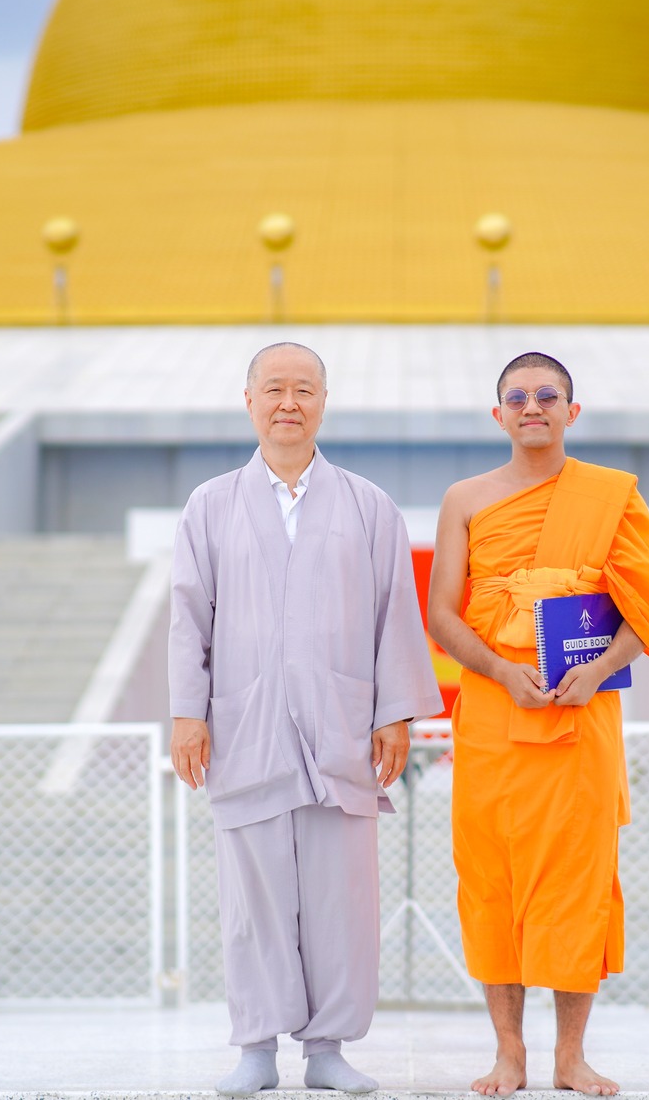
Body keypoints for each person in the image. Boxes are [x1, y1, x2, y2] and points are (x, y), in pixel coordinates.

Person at [170, 341, 442, 1096]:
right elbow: (189, 617)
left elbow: (396, 614)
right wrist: (187, 712)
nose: (289, 402)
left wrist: (395, 714)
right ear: (249, 400)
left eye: (304, 389)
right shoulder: (211, 505)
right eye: (274, 389)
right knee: (253, 898)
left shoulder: (367, 504)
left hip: (341, 727)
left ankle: (327, 1048)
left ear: (324, 401)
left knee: (339, 898)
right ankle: (256, 1044)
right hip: (246, 726)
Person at [427, 351, 649, 1097]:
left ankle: (571, 1055)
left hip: (580, 717)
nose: (532, 405)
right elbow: (442, 612)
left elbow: (646, 608)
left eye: (548, 394)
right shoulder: (465, 498)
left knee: (576, 885)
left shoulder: (611, 496)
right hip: (496, 723)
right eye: (518, 396)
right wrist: (502, 671)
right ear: (498, 414)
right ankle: (510, 1054)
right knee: (494, 884)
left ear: (572, 410)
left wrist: (596, 671)